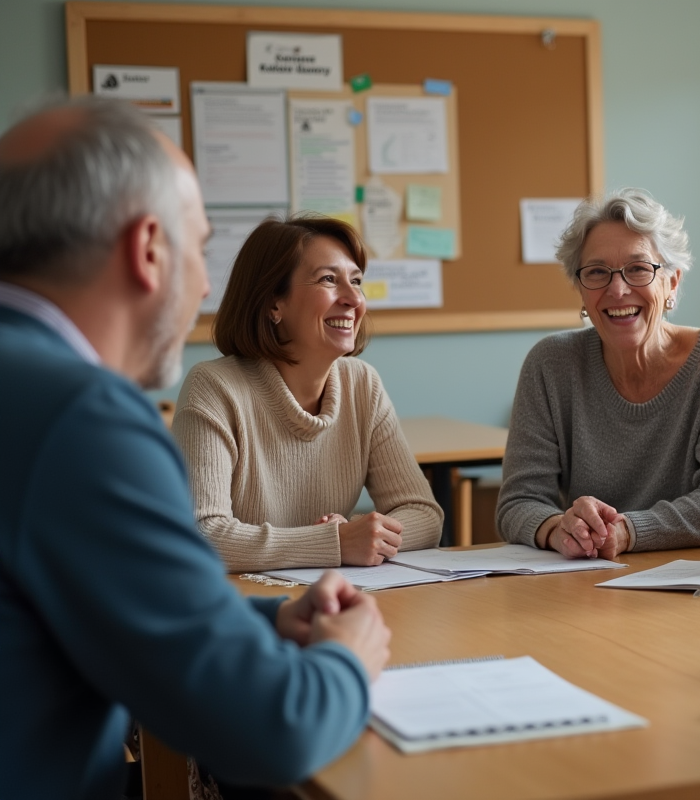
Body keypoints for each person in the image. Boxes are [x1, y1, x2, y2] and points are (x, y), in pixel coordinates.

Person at [0, 97, 391, 797]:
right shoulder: (81, 416)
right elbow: (273, 730)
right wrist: (349, 661)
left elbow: (90, 593)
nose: (208, 286)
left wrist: (266, 617)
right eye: (200, 248)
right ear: (148, 249)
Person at [497, 188, 700, 558]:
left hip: (694, 589)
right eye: (597, 272)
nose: (617, 290)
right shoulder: (550, 364)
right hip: (580, 585)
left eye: (638, 269)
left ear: (671, 282)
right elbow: (518, 502)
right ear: (581, 290)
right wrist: (560, 529)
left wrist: (627, 532)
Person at [173, 216, 442, 573]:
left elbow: (424, 514)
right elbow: (202, 534)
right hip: (241, 607)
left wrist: (366, 535)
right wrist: (335, 543)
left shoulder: (363, 383)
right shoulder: (214, 386)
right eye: (328, 280)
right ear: (273, 303)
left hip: (332, 599)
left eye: (357, 281)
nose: (352, 299)